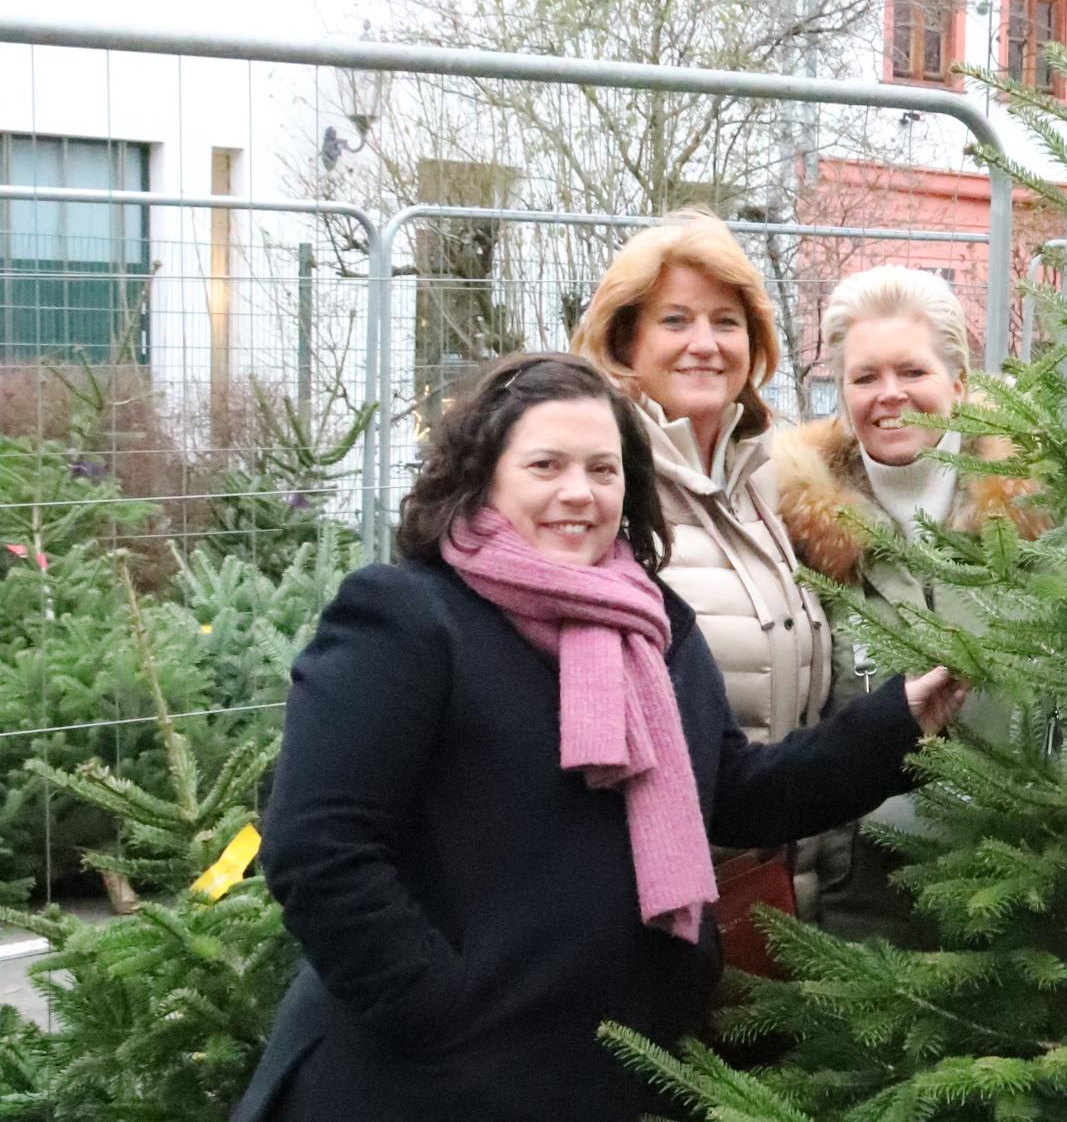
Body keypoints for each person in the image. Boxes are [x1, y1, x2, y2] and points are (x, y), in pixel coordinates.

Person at [234, 353, 965, 1121]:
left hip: (600, 1070)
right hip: (419, 1081)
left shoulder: (654, 629)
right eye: (545, 465)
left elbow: (733, 792)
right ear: (482, 475)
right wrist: (437, 1011)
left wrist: (894, 724)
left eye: (603, 469)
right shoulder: (408, 617)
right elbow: (317, 843)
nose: (578, 493)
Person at [774, 265, 1048, 944]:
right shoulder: (792, 529)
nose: (889, 394)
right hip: (861, 913)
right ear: (840, 393)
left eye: (913, 372)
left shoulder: (1037, 516)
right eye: (865, 377)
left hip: (1020, 906)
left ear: (958, 383)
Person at [572, 212, 835, 919]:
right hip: (654, 905)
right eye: (676, 320)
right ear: (625, 338)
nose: (704, 344)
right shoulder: (600, 490)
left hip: (778, 892)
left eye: (726, 321)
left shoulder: (771, 484)